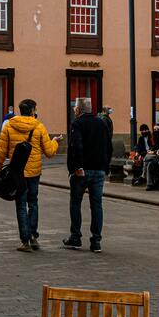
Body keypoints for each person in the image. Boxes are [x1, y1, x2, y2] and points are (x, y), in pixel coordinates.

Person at [0, 99, 61, 252]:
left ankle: (25, 242)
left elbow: (0, 152)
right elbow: (49, 151)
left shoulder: (9, 126)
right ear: (32, 111)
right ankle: (33, 236)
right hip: (34, 172)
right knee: (33, 202)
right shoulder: (39, 126)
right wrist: (55, 141)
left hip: (17, 172)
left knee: (21, 205)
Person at [62, 98, 112, 253]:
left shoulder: (77, 123)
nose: (73, 109)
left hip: (82, 171)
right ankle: (96, 241)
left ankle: (75, 237)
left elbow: (76, 145)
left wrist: (77, 167)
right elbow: (108, 146)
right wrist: (105, 167)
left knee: (75, 203)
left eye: (75, 107)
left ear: (79, 109)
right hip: (98, 170)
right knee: (96, 205)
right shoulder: (102, 123)